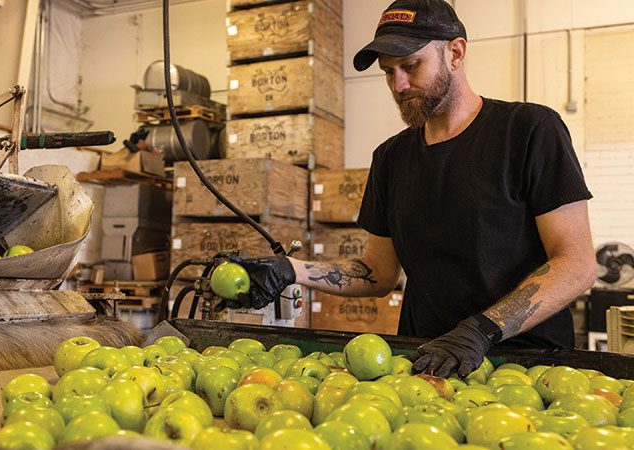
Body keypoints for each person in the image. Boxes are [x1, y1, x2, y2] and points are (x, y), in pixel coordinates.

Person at [228, 0, 596, 378]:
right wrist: (292, 269)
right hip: (427, 364)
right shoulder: (391, 157)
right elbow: (377, 272)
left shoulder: (529, 131)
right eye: (388, 73)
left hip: (527, 365)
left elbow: (577, 264)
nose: (398, 85)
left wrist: (482, 330)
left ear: (455, 53)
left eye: (411, 66)